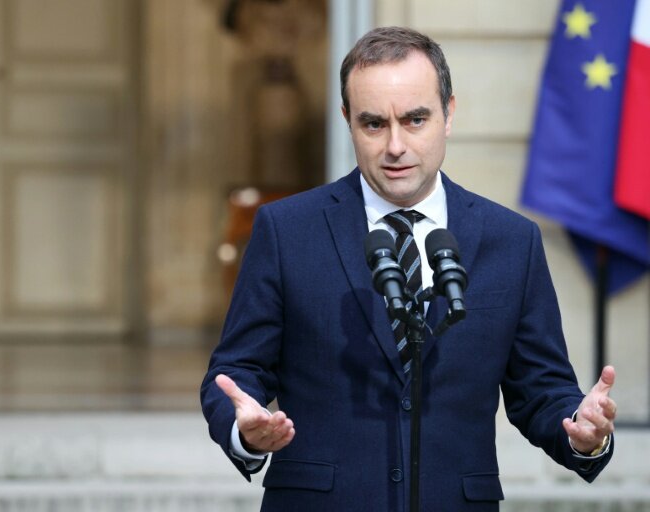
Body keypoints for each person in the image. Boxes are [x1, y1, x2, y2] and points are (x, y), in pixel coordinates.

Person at [200, 26, 617, 511]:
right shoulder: (286, 230)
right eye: (374, 124)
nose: (395, 145)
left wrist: (582, 429)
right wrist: (244, 428)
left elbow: (541, 389)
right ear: (347, 121)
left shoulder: (512, 240)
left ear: (449, 114)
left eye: (415, 119)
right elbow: (237, 369)